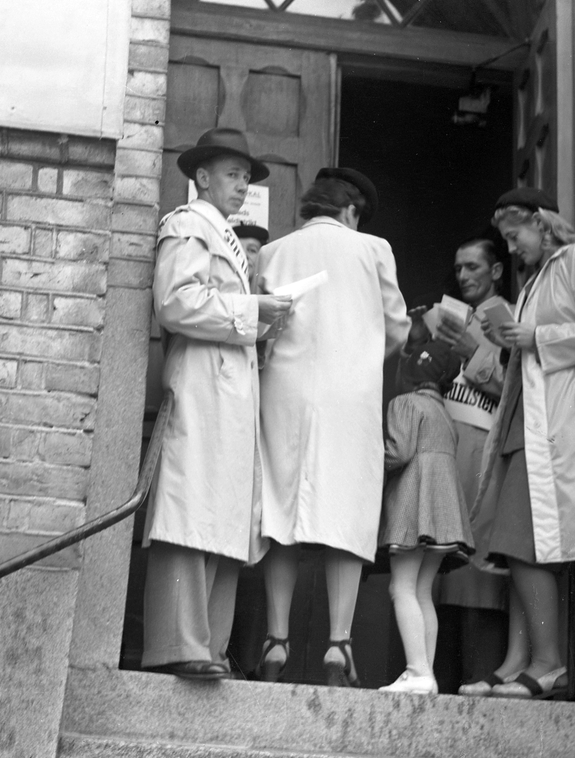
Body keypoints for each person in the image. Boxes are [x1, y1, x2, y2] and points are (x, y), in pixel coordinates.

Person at [141, 127, 292, 679]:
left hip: (229, 394)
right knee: (189, 510)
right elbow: (175, 302)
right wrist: (251, 312)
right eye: (232, 174)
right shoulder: (188, 224)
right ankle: (179, 644)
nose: (242, 185)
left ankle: (209, 645)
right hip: (202, 388)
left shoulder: (222, 234)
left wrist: (263, 317)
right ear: (202, 177)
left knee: (224, 516)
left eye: (246, 177)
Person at [256, 168, 411, 687]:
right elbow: (396, 327)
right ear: (351, 211)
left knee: (281, 509)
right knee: (345, 511)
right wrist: (360, 350)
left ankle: (275, 640)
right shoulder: (373, 248)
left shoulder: (273, 252)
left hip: (285, 393)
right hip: (348, 396)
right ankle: (338, 645)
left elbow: (263, 326)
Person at [467, 187, 575, 700]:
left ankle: (549, 663)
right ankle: (517, 663)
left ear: (541, 221)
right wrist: (509, 339)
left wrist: (534, 337)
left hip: (554, 423)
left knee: (524, 547)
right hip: (523, 423)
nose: (512, 249)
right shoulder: (534, 280)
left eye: (515, 236)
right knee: (514, 549)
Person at [421, 236, 516, 693]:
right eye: (458, 268)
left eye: (473, 267)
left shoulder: (508, 317)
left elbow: (513, 386)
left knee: (476, 565)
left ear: (496, 271)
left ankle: (481, 675)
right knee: (441, 563)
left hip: (485, 449)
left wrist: (471, 353)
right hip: (449, 445)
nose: (463, 276)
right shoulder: (457, 315)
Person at [379, 341, 474, 695]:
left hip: (413, 506)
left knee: (401, 587)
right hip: (443, 512)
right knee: (422, 591)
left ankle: (417, 671)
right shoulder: (444, 415)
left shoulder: (404, 403)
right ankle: (425, 674)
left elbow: (398, 452)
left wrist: (367, 456)